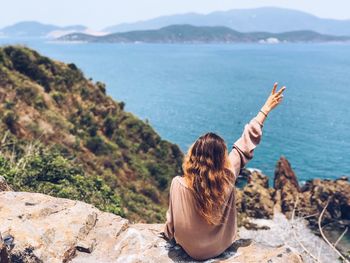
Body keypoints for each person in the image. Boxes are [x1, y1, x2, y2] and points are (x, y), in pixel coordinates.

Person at [163, 83, 286, 260]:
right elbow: (245, 143)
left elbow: (171, 223)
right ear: (221, 159)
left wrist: (168, 235)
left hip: (188, 248)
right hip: (219, 248)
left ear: (193, 155)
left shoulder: (177, 184)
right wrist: (265, 109)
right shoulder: (228, 177)